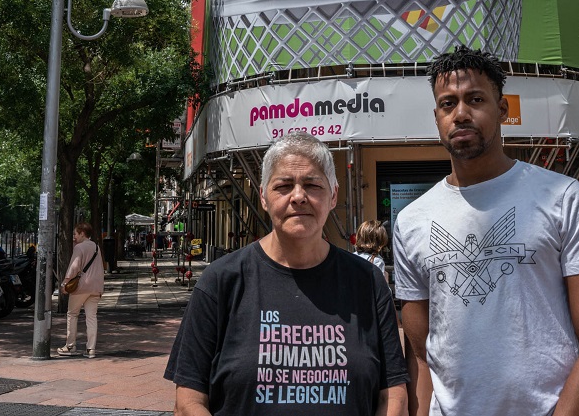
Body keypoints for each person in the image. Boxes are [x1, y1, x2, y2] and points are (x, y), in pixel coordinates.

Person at [394, 45, 579, 416]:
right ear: (436, 118)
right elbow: (421, 355)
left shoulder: (560, 197)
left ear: (502, 110)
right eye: (448, 104)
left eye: (475, 99)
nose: (461, 113)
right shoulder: (413, 220)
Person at [166, 132, 407, 416]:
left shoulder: (367, 282)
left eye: (312, 184)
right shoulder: (220, 282)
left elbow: (393, 396)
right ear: (264, 198)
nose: (298, 197)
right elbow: (188, 402)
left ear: (333, 195)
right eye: (283, 185)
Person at [58, 222, 103, 358]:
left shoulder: (79, 247)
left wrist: (65, 283)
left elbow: (74, 266)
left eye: (75, 234)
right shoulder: (96, 247)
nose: (74, 237)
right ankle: (91, 349)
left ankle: (70, 346)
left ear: (82, 233)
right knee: (91, 317)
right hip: (96, 287)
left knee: (72, 314)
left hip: (82, 287)